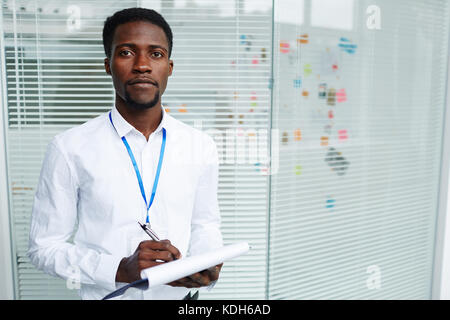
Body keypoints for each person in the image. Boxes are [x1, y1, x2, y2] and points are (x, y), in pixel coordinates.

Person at [27, 7, 223, 300]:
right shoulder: (69, 147)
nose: (142, 65)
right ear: (108, 64)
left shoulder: (200, 145)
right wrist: (117, 269)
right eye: (127, 52)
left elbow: (205, 225)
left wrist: (206, 263)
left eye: (155, 54)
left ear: (169, 66)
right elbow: (43, 248)